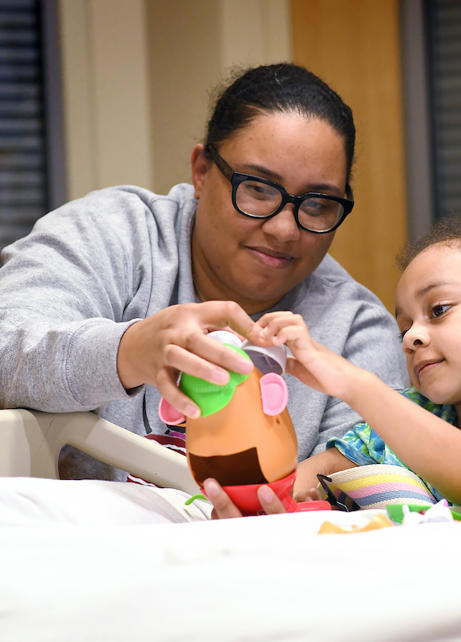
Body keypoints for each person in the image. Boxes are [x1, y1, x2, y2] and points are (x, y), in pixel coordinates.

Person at [0, 63, 408, 481]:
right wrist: (131, 350)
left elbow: (369, 484)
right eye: (259, 188)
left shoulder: (357, 332)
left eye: (318, 204)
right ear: (201, 171)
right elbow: (7, 346)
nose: (284, 228)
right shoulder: (111, 234)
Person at [204, 181, 461, 516]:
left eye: (438, 310)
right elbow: (303, 479)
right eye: (404, 327)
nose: (412, 337)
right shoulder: (407, 418)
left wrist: (355, 384)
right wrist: (258, 503)